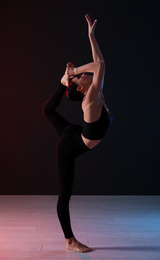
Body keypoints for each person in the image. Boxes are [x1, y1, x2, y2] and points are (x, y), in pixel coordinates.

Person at [42, 14, 113, 253]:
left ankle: (61, 84)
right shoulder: (90, 101)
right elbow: (99, 66)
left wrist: (91, 37)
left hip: (75, 132)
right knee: (65, 194)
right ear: (81, 88)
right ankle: (69, 240)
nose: (86, 74)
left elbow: (98, 61)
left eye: (82, 75)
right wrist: (73, 72)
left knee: (47, 111)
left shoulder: (93, 91)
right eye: (82, 77)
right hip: (69, 146)